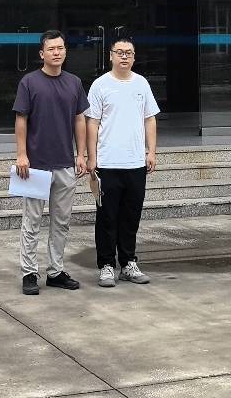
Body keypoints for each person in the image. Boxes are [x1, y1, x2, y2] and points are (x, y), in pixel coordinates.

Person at [12, 29, 89, 296]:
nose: (56, 53)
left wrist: (81, 154)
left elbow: (79, 118)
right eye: (51, 49)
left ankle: (55, 271)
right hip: (35, 165)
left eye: (60, 48)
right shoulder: (29, 82)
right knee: (32, 221)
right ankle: (29, 272)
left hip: (65, 163)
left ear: (65, 51)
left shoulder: (74, 82)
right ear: (41, 53)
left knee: (61, 222)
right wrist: (22, 154)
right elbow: (21, 118)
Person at [84, 37, 159, 288]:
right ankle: (106, 265)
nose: (124, 56)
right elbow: (92, 122)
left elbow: (149, 118)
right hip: (107, 163)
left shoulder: (142, 83)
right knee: (106, 217)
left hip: (135, 163)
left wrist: (151, 152)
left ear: (134, 57)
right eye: (119, 52)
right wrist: (91, 157)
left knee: (131, 216)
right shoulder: (100, 85)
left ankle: (128, 263)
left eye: (129, 52)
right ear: (111, 55)